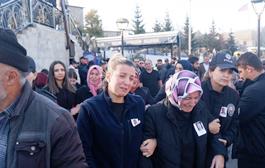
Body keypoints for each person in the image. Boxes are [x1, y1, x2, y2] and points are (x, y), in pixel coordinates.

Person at [0, 28, 87, 168]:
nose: (60, 73)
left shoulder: (56, 121)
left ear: (11, 77)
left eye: (62, 70)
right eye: (56, 70)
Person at [77, 54, 156, 168]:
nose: (127, 82)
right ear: (108, 76)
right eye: (122, 76)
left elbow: (145, 134)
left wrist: (152, 140)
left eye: (131, 78)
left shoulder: (137, 103)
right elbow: (83, 151)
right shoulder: (90, 108)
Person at [141, 70, 226, 168]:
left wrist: (219, 153)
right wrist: (153, 141)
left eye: (196, 97)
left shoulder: (200, 108)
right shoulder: (155, 113)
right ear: (175, 93)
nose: (192, 103)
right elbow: (145, 152)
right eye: (187, 98)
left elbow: (215, 131)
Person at [236, 52, 265, 168]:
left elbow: (237, 117)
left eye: (241, 72)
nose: (239, 76)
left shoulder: (255, 90)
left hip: (256, 153)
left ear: (250, 69)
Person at [201, 52, 239, 166]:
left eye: (230, 72)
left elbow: (235, 124)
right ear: (211, 71)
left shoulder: (234, 96)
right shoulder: (198, 91)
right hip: (197, 152)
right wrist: (206, 126)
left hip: (221, 152)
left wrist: (227, 139)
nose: (227, 75)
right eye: (222, 70)